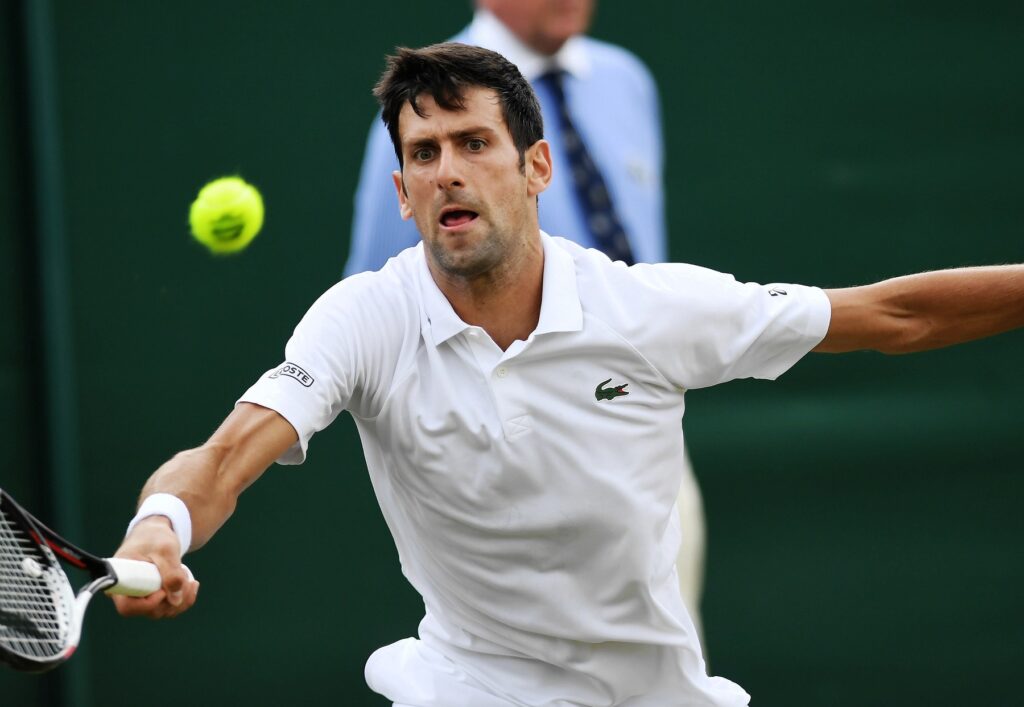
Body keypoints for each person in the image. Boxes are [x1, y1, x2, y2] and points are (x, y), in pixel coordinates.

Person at [112, 43, 1024, 707]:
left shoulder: (646, 307)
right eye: (424, 154)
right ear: (402, 194)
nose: (447, 172)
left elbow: (893, 315)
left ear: (535, 167)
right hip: (466, 688)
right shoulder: (365, 317)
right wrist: (160, 528)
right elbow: (224, 457)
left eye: (474, 143)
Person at [345, 0, 709, 636]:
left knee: (668, 650)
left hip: (645, 423)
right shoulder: (424, 116)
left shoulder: (625, 80)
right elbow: (376, 300)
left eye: (475, 145)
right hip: (514, 449)